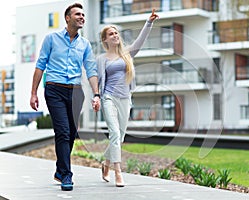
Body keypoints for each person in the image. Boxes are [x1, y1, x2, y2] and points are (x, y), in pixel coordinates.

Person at [29, 3, 100, 191]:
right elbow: (40, 65)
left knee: (71, 133)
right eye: (78, 14)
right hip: (54, 89)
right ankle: (67, 174)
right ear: (67, 18)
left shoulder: (84, 44)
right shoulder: (51, 39)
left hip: (76, 91)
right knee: (62, 131)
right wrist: (33, 92)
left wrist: (96, 93)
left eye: (83, 14)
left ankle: (60, 170)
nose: (82, 17)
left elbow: (91, 70)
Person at [96, 9, 159, 187]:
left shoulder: (127, 54)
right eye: (111, 33)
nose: (115, 35)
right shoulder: (102, 59)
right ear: (105, 40)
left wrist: (149, 22)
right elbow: (98, 80)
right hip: (109, 98)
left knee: (119, 137)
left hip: (125, 99)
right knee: (114, 133)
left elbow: (140, 41)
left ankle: (106, 163)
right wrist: (97, 97)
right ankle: (118, 173)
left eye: (116, 32)